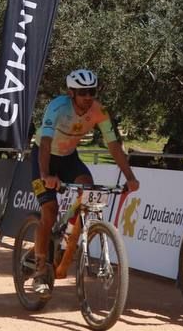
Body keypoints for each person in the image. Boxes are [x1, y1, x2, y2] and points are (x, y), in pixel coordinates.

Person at [29, 69, 139, 297]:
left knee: (88, 188)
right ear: (71, 93)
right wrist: (45, 175)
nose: (88, 97)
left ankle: (68, 235)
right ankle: (40, 270)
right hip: (44, 156)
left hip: (69, 158)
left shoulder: (100, 111)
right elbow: (46, 142)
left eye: (92, 91)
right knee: (49, 211)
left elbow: (113, 146)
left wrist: (129, 176)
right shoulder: (57, 107)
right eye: (82, 92)